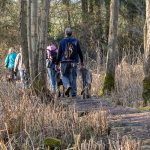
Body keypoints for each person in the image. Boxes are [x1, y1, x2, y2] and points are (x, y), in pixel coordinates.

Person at [56, 27, 84, 97]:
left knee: (63, 76)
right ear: (71, 33)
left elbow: (59, 54)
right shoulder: (76, 41)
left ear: (65, 33)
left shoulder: (62, 41)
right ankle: (74, 94)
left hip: (64, 62)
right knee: (73, 77)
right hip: (73, 62)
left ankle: (67, 85)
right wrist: (82, 62)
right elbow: (80, 52)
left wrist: (57, 63)